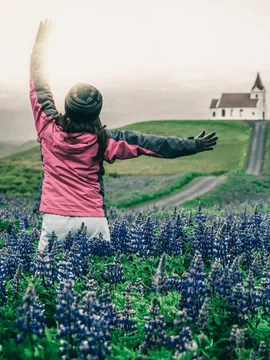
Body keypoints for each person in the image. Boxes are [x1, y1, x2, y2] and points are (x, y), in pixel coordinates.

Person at [30, 20, 218, 252]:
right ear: (96, 113)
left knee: (41, 280)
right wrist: (193, 145)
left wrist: (41, 42)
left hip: (54, 218)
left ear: (67, 107)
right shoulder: (104, 141)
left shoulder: (47, 127)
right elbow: (152, 144)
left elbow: (39, 83)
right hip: (93, 220)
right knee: (98, 282)